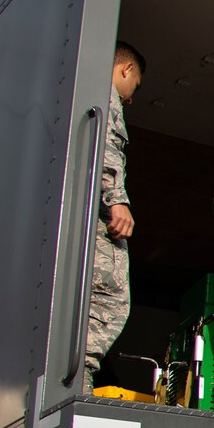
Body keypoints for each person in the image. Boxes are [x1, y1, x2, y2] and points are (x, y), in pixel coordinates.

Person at [84, 42, 143, 387]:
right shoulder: (105, 96)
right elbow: (104, 145)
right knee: (110, 296)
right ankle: (80, 377)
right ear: (127, 71)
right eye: (134, 88)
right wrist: (116, 199)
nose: (130, 98)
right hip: (98, 216)